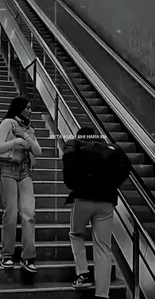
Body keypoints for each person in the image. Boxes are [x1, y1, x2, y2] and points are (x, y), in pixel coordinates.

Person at [62, 127, 131, 298]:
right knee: (103, 247)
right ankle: (102, 294)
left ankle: (83, 274)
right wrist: (111, 184)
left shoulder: (76, 147)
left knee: (76, 234)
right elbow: (126, 168)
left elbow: (68, 173)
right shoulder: (108, 149)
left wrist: (76, 185)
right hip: (106, 202)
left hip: (83, 199)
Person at [0, 96, 42, 272]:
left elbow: (38, 152)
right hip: (8, 170)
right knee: (10, 214)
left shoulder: (28, 129)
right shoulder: (8, 123)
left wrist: (25, 136)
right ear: (19, 108)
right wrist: (15, 141)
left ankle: (28, 256)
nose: (30, 110)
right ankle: (6, 254)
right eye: (27, 107)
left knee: (28, 214)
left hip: (25, 172)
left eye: (31, 107)